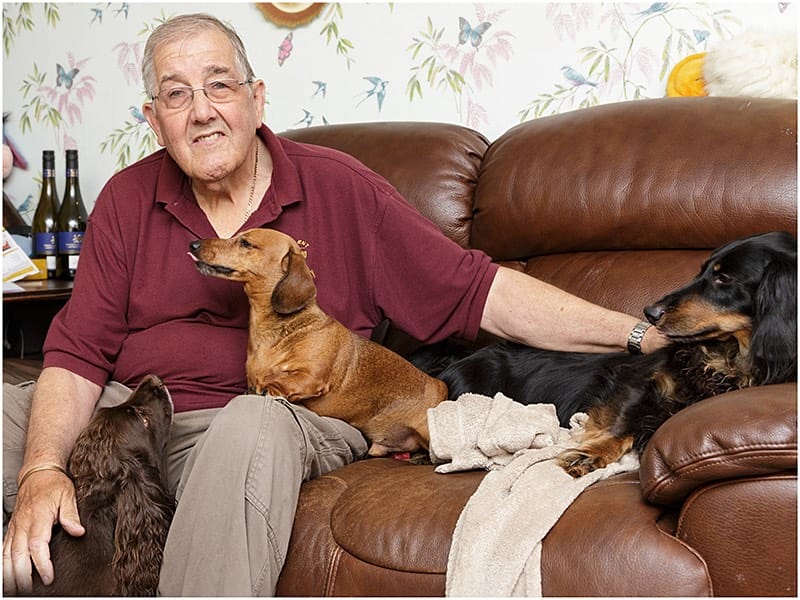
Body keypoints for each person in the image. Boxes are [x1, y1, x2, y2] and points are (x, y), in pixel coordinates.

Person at [2, 13, 664, 596]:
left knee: (249, 423)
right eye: (176, 95)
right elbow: (79, 348)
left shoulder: (340, 188)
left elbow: (475, 289)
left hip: (286, 412)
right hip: (137, 407)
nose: (201, 109)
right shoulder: (127, 197)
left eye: (219, 85)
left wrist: (637, 335)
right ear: (154, 120)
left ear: (257, 99)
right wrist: (42, 467)